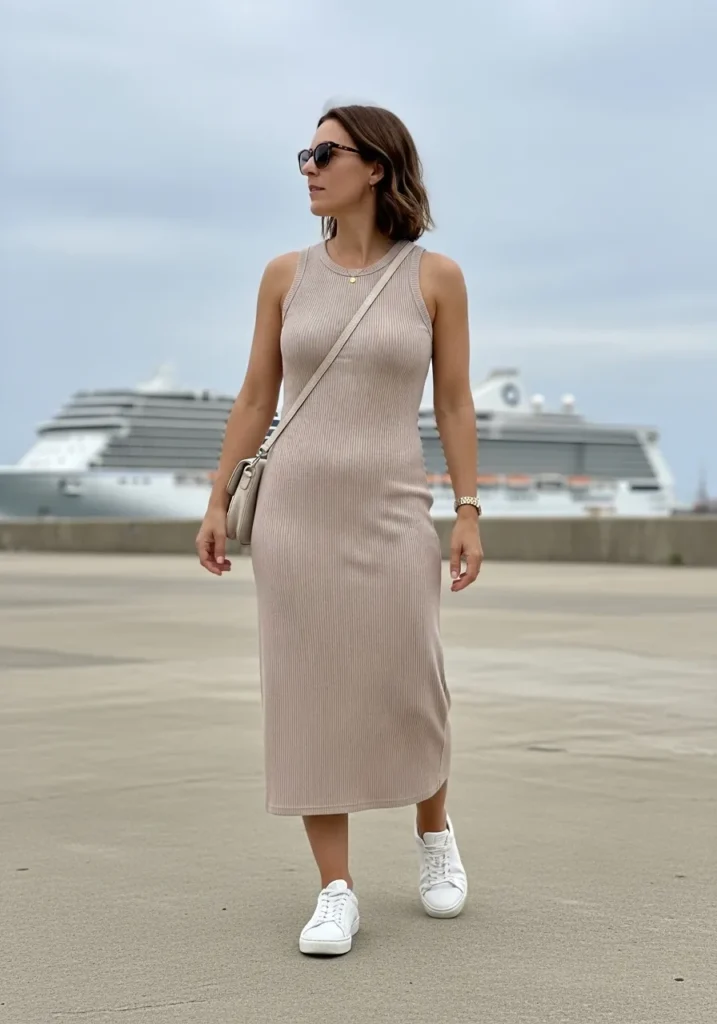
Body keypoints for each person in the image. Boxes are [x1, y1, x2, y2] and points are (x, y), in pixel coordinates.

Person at [196, 104, 483, 956]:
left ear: (377, 167)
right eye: (305, 154)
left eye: (325, 154)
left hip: (393, 508)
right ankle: (335, 889)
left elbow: (454, 403)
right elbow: (256, 396)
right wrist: (217, 501)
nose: (309, 168)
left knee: (411, 679)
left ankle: (433, 830)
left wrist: (467, 510)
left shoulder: (435, 278)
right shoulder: (284, 275)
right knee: (307, 692)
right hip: (295, 514)